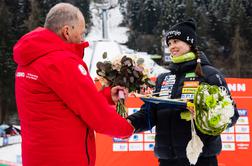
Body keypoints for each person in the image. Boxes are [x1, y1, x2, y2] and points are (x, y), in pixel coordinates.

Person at [13, 3, 133, 166]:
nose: (83, 39)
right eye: (81, 33)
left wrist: (106, 96)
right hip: (64, 158)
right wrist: (128, 127)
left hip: (38, 156)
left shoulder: (30, 58)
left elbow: (66, 104)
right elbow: (95, 113)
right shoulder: (61, 62)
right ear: (67, 31)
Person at [127, 18, 239, 166]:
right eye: (169, 43)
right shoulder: (163, 78)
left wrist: (203, 115)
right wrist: (128, 123)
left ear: (190, 43)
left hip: (200, 159)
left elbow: (231, 115)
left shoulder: (210, 74)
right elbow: (149, 114)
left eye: (176, 41)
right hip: (167, 160)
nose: (172, 46)